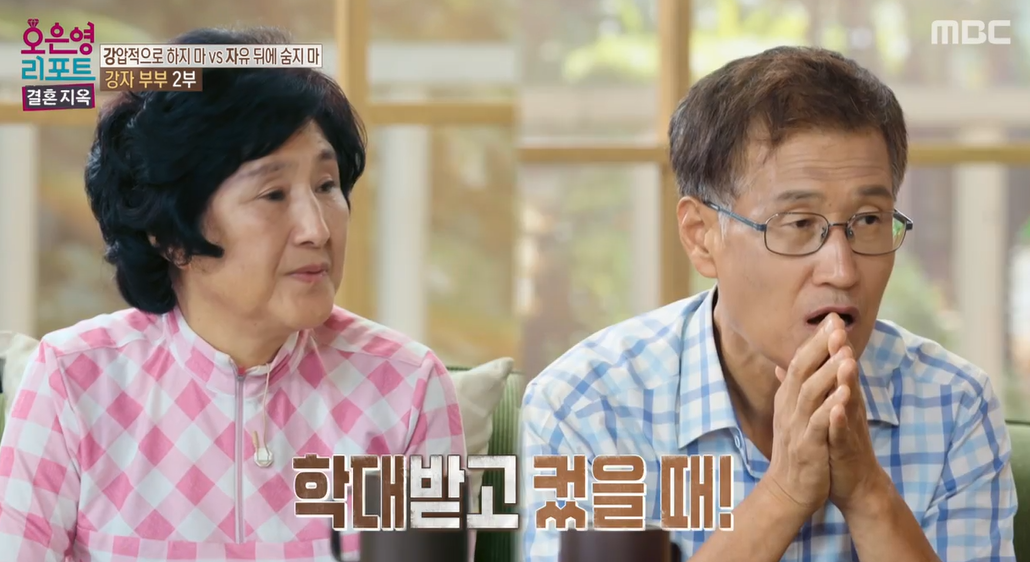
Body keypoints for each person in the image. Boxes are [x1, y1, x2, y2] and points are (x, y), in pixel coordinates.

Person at [520, 46, 1016, 562]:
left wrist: (868, 491)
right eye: (799, 224)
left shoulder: (952, 406)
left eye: (869, 220)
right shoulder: (589, 408)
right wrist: (784, 492)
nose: (842, 270)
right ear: (701, 236)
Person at [0, 26, 465, 562]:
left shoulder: (406, 389)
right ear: (171, 236)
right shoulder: (72, 381)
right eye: (273, 194)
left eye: (326, 185)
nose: (317, 229)